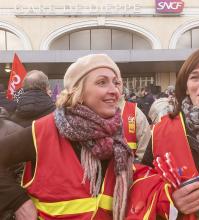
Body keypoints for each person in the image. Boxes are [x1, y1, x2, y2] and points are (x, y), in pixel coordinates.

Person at [0, 54, 133, 220]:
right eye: (101, 82)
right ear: (79, 91)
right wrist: (18, 201)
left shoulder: (117, 136)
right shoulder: (43, 131)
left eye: (117, 82)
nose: (114, 90)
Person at [142, 48, 199, 219]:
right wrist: (170, 201)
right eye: (194, 77)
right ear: (186, 87)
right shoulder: (160, 131)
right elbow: (143, 186)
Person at [118, 84, 151, 161]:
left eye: (116, 83)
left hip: (130, 169)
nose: (111, 87)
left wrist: (138, 166)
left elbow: (144, 150)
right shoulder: (92, 110)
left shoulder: (135, 112)